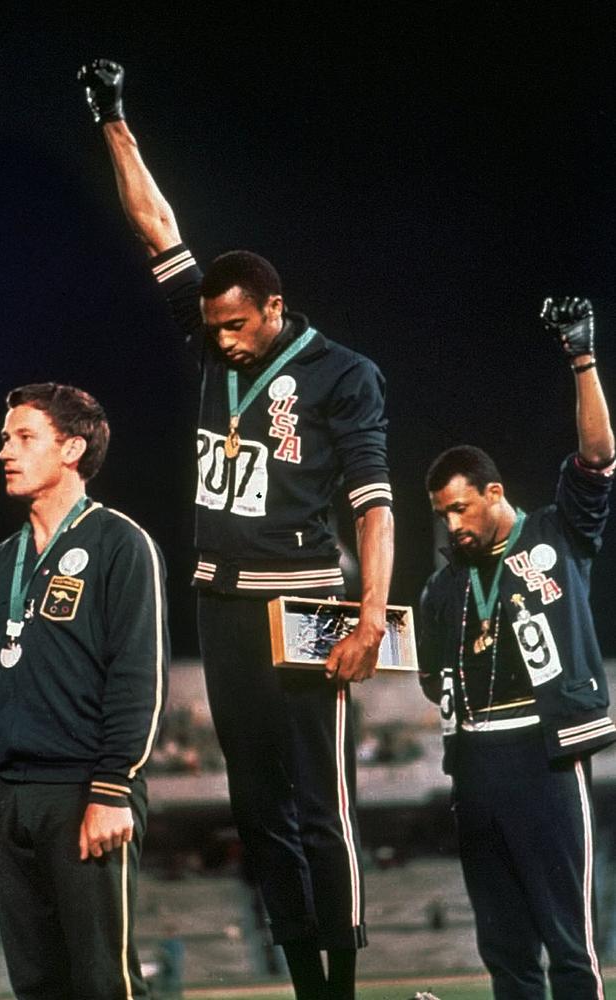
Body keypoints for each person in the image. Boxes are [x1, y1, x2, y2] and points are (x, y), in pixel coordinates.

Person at [78, 59, 394, 1000]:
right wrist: (113, 120)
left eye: (236, 326)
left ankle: (340, 983)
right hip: (221, 600)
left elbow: (374, 504)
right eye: (211, 327)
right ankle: (302, 980)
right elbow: (158, 230)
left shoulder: (346, 375)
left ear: (275, 309)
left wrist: (370, 616)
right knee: (257, 810)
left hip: (309, 600)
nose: (219, 340)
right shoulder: (211, 335)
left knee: (319, 804)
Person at [419, 297, 615, 1000]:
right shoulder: (442, 588)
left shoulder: (558, 534)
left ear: (494, 492)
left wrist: (582, 358)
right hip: (473, 762)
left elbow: (598, 458)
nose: (452, 523)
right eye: (442, 513)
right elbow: (425, 678)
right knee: (502, 948)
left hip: (544, 753)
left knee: (568, 944)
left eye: (461, 507)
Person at [0, 383, 169, 1000]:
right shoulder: (2, 560)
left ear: (72, 448)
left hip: (84, 793)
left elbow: (140, 678)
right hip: (6, 799)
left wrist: (113, 787)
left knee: (102, 981)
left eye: (25, 438)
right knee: (36, 984)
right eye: (6, 438)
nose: (5, 450)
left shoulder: (121, 544)